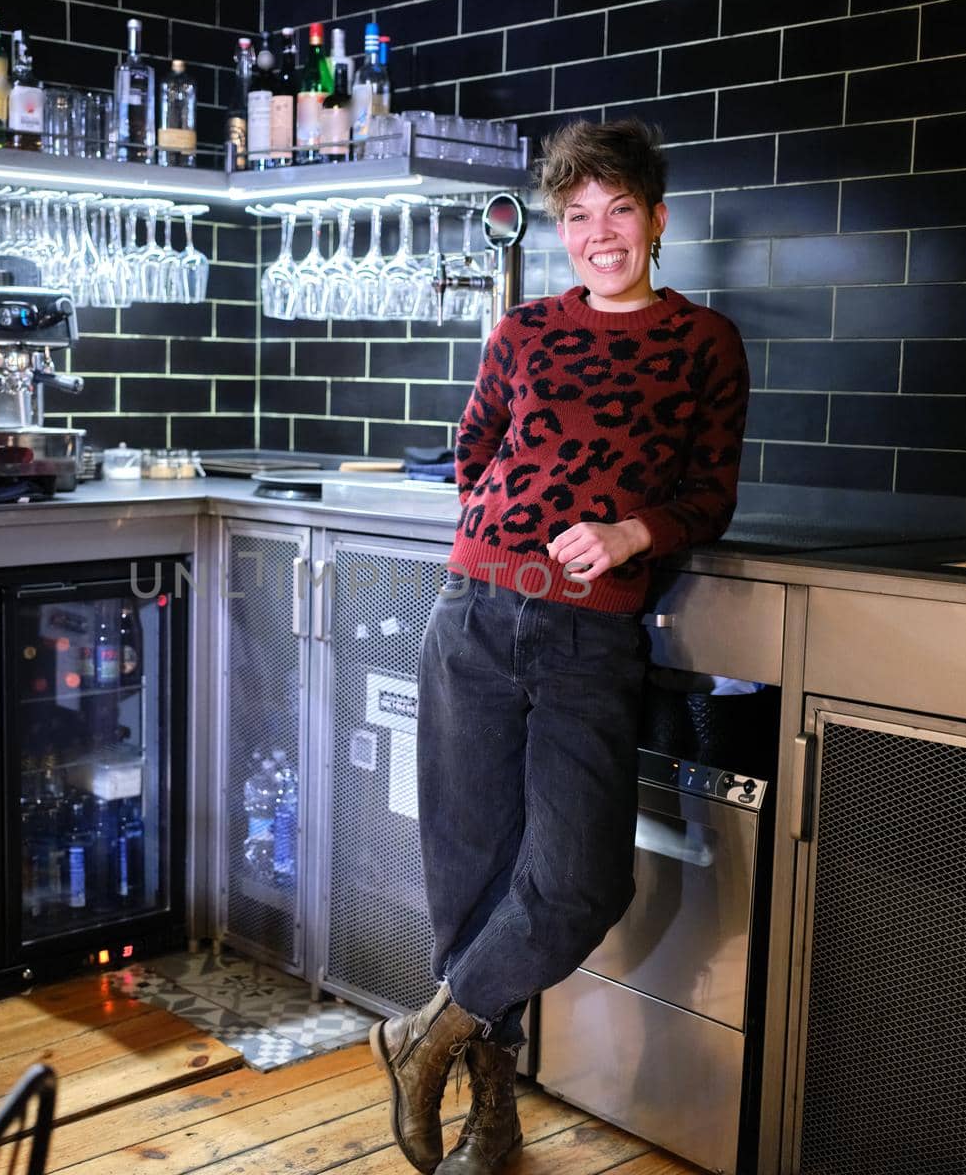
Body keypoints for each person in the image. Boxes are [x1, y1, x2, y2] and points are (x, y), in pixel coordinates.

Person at [369, 117, 751, 1175]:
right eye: (577, 216)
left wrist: (632, 531)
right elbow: (474, 446)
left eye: (618, 210)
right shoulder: (524, 332)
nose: (599, 233)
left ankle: (419, 1038)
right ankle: (493, 1122)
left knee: (581, 882)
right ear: (558, 228)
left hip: (592, 634)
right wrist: (506, 523)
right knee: (471, 881)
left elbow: (707, 494)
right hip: (478, 616)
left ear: (656, 219)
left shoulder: (703, 342)